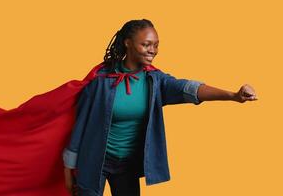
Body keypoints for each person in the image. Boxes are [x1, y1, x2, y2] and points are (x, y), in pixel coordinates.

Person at [62, 19, 258, 196]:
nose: (152, 50)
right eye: (146, 44)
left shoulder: (155, 80)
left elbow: (188, 88)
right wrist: (68, 169)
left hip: (127, 165)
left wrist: (233, 95)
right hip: (94, 159)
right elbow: (80, 124)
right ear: (127, 43)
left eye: (156, 45)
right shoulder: (101, 79)